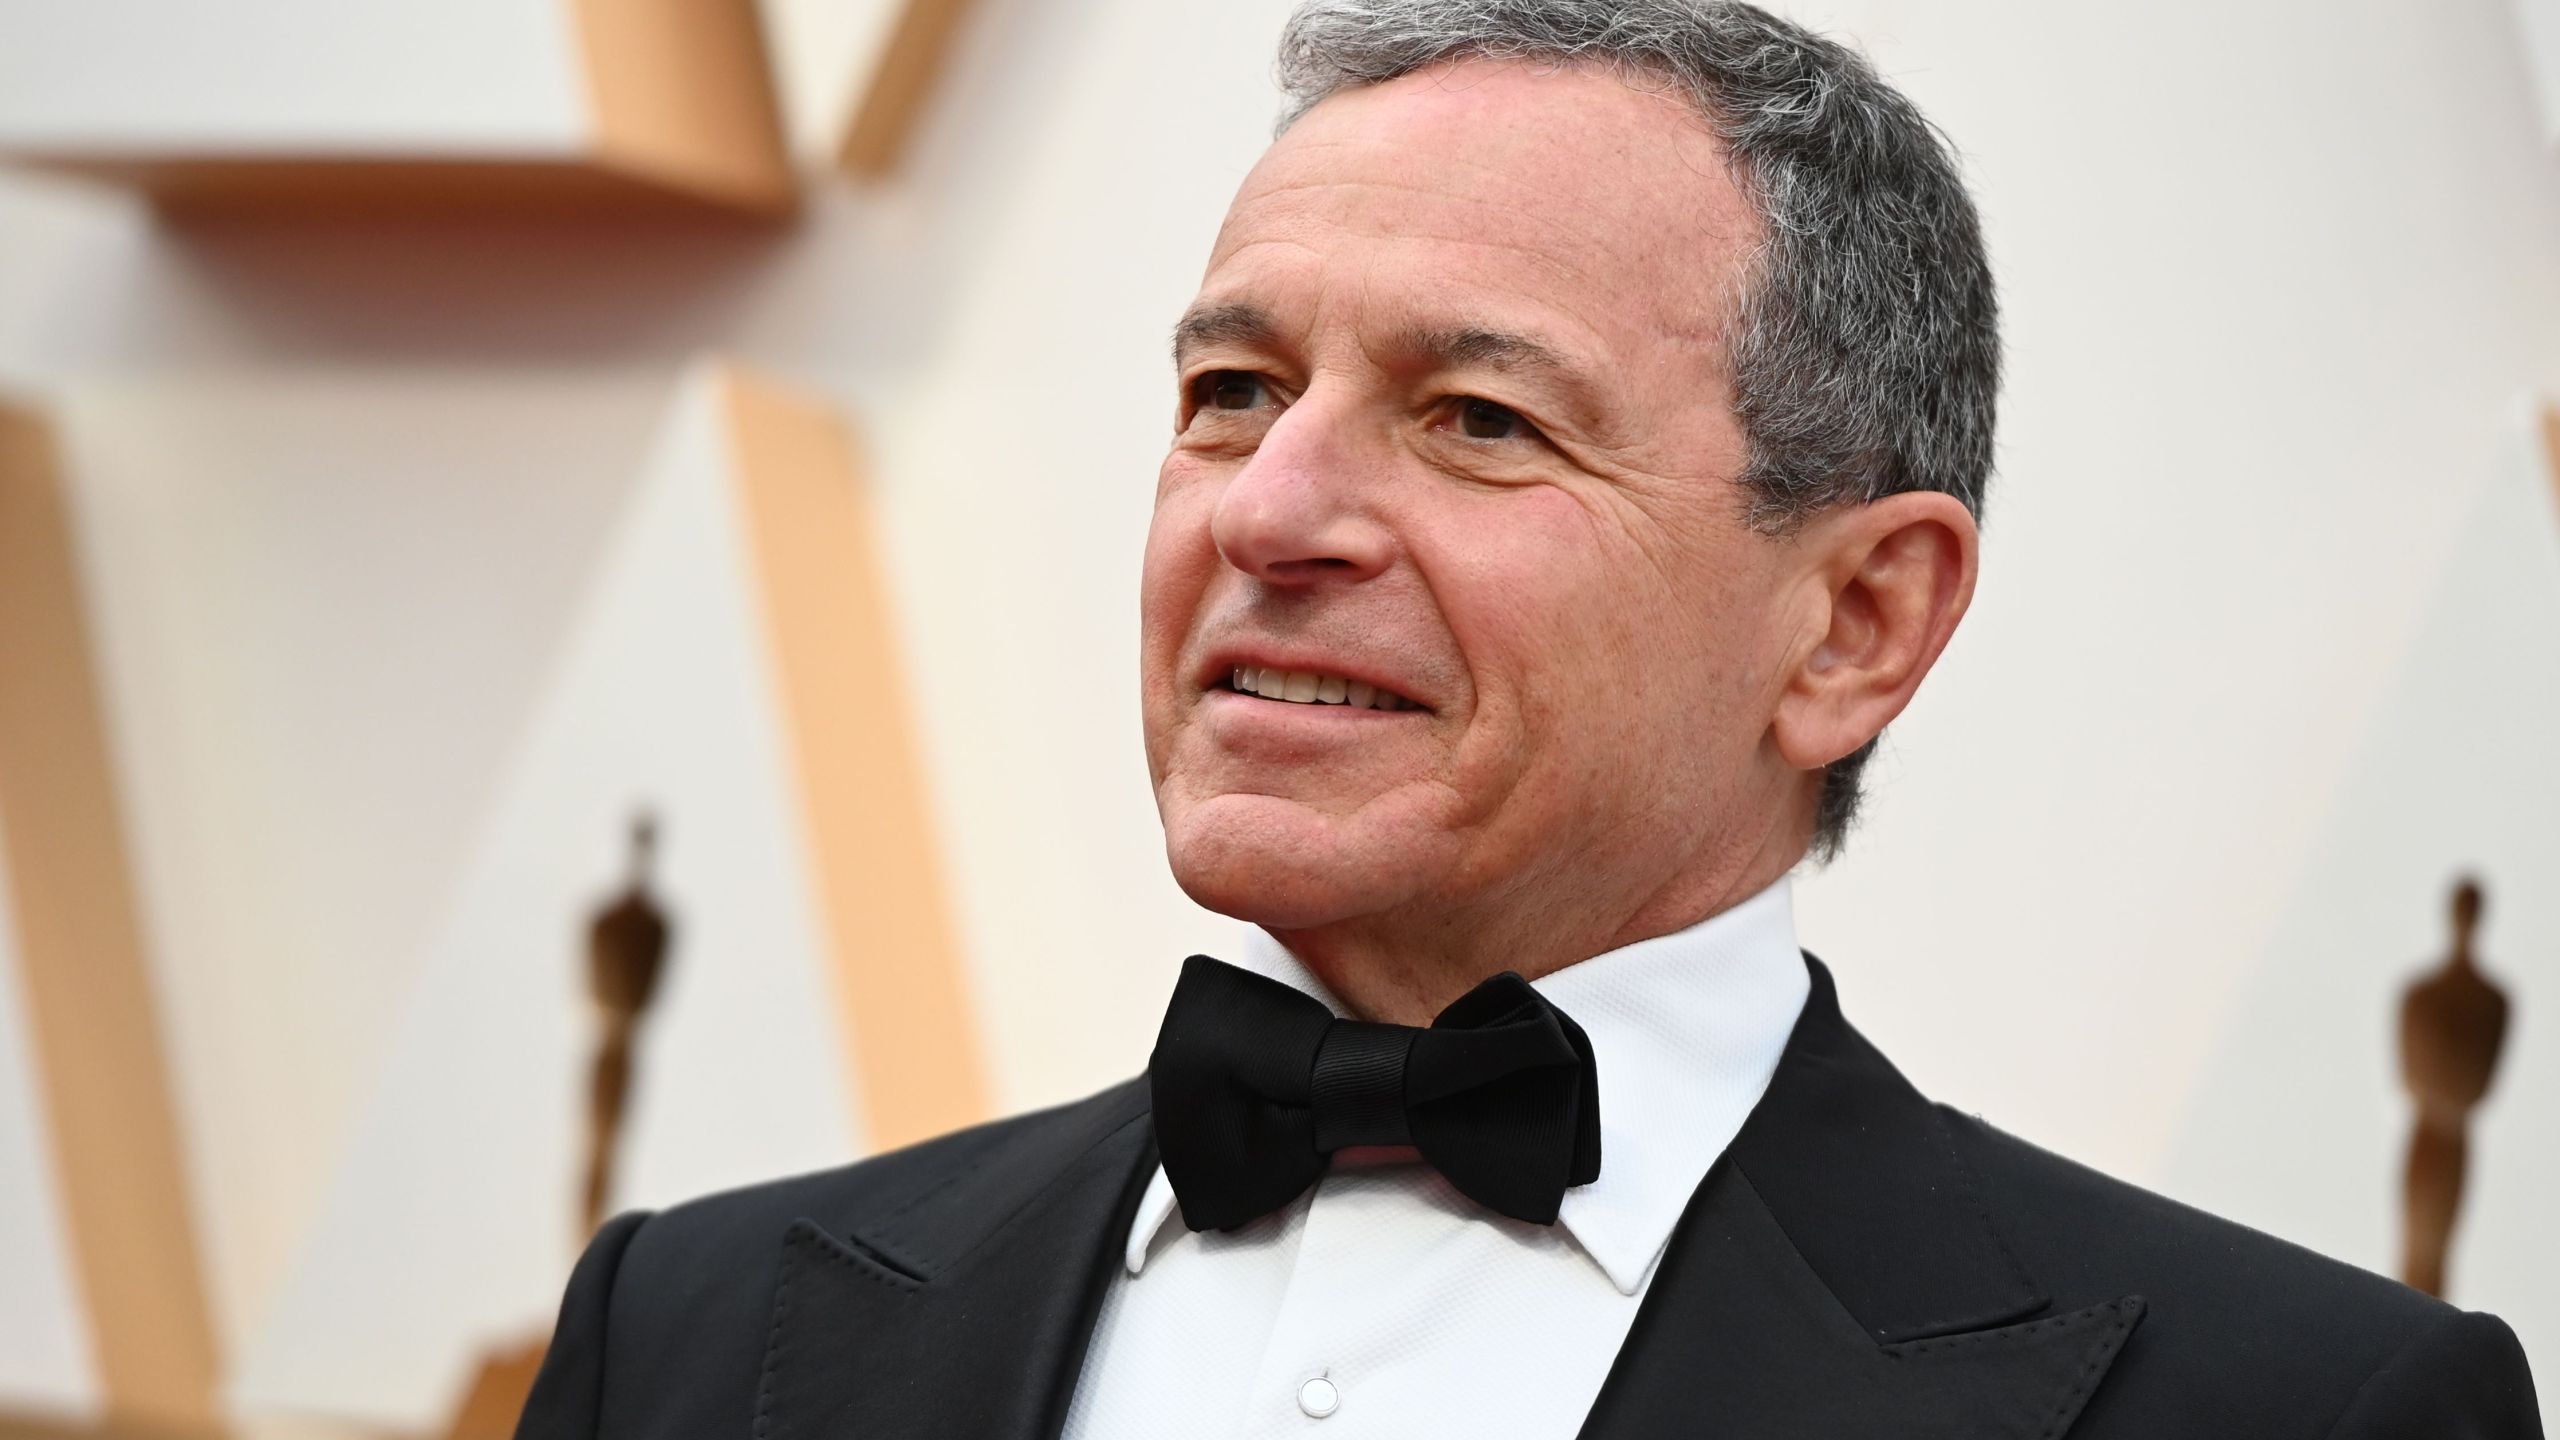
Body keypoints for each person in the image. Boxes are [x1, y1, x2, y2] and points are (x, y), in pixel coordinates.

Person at [515, 2, 2543, 1435]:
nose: (1272, 512)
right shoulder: (678, 1339)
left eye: (1475, 419)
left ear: (1850, 621)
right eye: (1229, 391)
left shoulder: (2288, 1410)